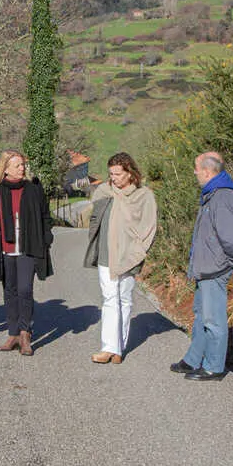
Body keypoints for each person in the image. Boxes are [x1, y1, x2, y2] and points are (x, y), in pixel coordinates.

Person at [172, 151, 233, 381]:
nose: (194, 172)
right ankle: (194, 359)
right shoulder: (213, 194)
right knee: (202, 315)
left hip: (215, 268)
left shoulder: (221, 197)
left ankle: (214, 366)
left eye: (196, 168)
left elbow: (231, 238)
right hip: (208, 267)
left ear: (207, 171)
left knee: (213, 319)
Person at [83, 152, 157, 364]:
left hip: (130, 255)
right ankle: (108, 347)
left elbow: (149, 228)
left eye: (118, 174)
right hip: (107, 254)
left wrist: (139, 252)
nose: (113, 178)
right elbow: (95, 211)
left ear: (130, 173)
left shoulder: (144, 196)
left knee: (124, 299)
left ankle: (119, 348)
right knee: (110, 298)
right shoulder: (105, 191)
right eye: (111, 174)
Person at [0, 150, 53, 356]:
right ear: (5, 168)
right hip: (4, 249)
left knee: (25, 290)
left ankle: (25, 333)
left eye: (22, 165)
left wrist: (47, 238)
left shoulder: (33, 189)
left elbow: (45, 216)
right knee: (9, 291)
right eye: (17, 165)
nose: (22, 168)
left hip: (28, 248)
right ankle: (12, 333)